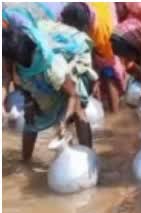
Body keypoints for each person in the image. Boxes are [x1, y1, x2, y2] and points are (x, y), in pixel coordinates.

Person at [2, 18, 97, 161]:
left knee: (78, 112)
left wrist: (64, 122)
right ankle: (25, 163)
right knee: (30, 121)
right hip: (44, 85)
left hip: (67, 79)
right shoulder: (16, 64)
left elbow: (73, 95)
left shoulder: (50, 65)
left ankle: (89, 158)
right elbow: (21, 85)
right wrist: (29, 103)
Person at [59, 2, 125, 113]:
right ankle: (98, 106)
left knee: (109, 73)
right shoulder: (66, 14)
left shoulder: (103, 32)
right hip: (88, 16)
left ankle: (115, 113)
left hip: (103, 32)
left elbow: (108, 63)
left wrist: (97, 78)